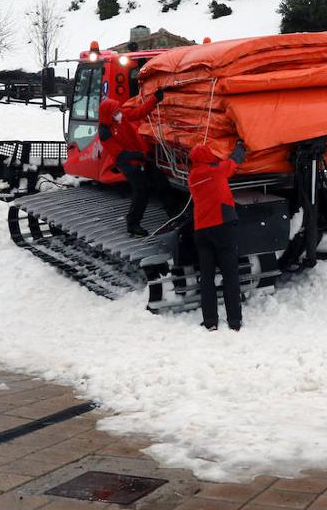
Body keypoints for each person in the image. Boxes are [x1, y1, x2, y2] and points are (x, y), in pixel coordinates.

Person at [98, 90, 175, 237]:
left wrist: (154, 99)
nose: (118, 112)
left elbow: (139, 112)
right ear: (108, 115)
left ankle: (174, 213)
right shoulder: (105, 132)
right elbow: (120, 154)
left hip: (141, 157)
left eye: (117, 110)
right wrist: (139, 156)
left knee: (161, 182)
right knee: (142, 190)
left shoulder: (121, 117)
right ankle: (133, 223)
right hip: (127, 163)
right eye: (115, 112)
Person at [188, 140, 247, 331]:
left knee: (207, 279)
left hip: (202, 231)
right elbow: (235, 161)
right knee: (230, 276)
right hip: (223, 228)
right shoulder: (217, 170)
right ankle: (235, 321)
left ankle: (210, 322)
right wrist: (240, 146)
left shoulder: (192, 177)